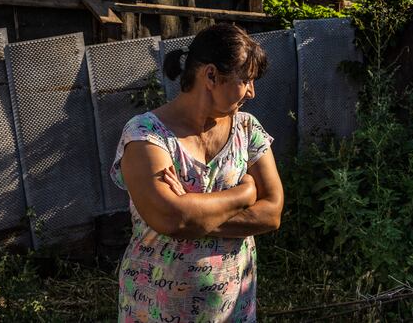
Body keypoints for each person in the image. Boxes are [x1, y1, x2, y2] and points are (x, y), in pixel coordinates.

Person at [111, 23, 284, 323]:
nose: (252, 93)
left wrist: (194, 215)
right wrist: (243, 194)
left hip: (234, 309)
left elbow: (272, 213)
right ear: (211, 76)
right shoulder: (146, 135)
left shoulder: (247, 129)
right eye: (245, 80)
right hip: (155, 309)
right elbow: (172, 218)